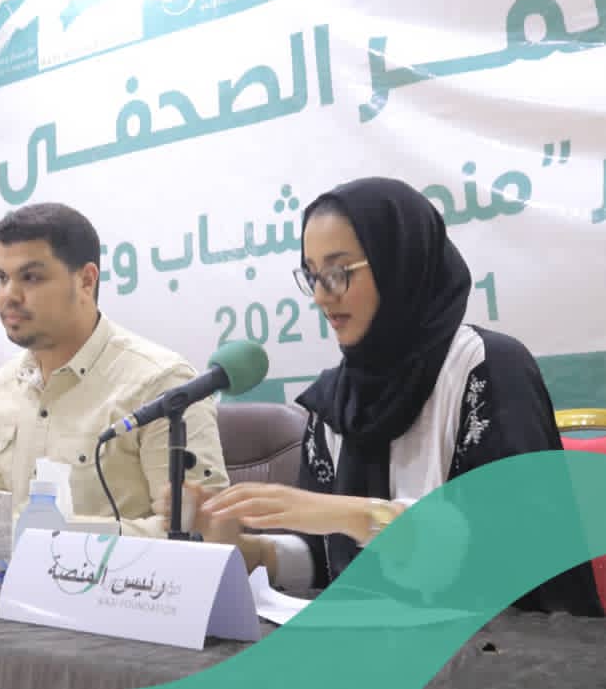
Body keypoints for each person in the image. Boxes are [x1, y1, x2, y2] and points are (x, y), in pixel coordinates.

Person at [161, 177, 602, 615]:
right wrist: (245, 551)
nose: (321, 296)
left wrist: (359, 516)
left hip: (502, 643)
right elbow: (325, 561)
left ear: (400, 263)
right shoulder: (335, 401)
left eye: (338, 273)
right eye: (312, 276)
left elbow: (508, 547)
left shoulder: (486, 368)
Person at [0, 203, 230, 536]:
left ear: (86, 280)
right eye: (2, 277)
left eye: (31, 277)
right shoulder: (2, 387)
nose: (9, 295)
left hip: (122, 572)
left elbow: (200, 532)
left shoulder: (161, 383)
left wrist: (65, 538)